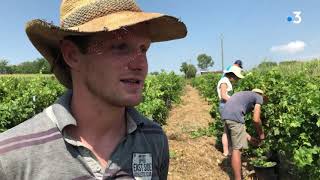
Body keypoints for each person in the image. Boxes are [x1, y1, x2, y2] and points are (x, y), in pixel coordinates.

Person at [0, 0, 187, 179]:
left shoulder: (154, 139)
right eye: (120, 47)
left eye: (143, 49)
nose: (141, 64)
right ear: (72, 55)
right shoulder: (11, 157)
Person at [221, 89, 266, 180]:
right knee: (237, 150)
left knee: (234, 147)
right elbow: (256, 119)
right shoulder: (259, 97)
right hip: (234, 116)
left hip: (226, 114)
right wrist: (261, 134)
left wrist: (249, 137)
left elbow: (238, 125)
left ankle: (233, 171)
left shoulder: (245, 96)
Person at [217, 65, 244, 156]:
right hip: (225, 106)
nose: (237, 80)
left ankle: (228, 151)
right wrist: (236, 101)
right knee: (227, 130)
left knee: (227, 130)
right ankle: (227, 151)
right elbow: (224, 95)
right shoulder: (224, 81)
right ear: (232, 75)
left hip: (226, 105)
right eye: (236, 78)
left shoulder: (226, 80)